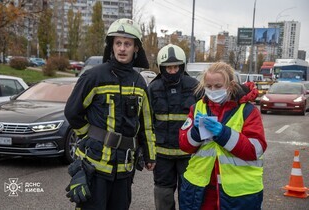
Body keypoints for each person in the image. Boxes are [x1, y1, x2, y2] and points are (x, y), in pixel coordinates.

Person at [64, 18, 156, 210]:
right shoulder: (93, 77)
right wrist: (88, 136)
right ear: (112, 46)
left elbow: (146, 123)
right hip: (94, 167)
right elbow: (72, 112)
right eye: (118, 43)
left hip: (124, 169)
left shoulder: (139, 83)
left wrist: (150, 155)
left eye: (128, 44)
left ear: (136, 49)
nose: (122, 48)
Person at [178, 62, 267, 210]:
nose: (212, 91)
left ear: (231, 85)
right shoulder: (197, 108)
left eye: (218, 86)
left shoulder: (248, 111)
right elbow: (184, 145)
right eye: (208, 86)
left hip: (238, 191)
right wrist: (195, 133)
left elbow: (255, 149)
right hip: (199, 189)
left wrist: (223, 134)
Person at [148, 44, 201, 210]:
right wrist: (147, 153)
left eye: (175, 67)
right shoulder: (152, 88)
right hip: (162, 157)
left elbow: (205, 117)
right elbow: (146, 123)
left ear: (182, 66)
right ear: (161, 67)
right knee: (163, 197)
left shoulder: (195, 87)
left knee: (189, 196)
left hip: (189, 156)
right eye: (168, 67)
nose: (172, 71)